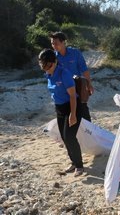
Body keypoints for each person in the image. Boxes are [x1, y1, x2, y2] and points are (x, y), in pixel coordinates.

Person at [38, 49, 84, 177]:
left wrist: (73, 114)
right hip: (60, 109)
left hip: (71, 107)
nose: (47, 68)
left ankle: (79, 166)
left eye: (49, 65)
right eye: (44, 66)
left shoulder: (64, 73)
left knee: (70, 137)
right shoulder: (49, 75)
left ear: (55, 62)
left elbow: (73, 96)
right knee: (64, 138)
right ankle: (73, 162)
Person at [50, 32, 93, 122]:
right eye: (52, 44)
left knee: (84, 117)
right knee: (67, 117)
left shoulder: (75, 53)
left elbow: (84, 70)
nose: (54, 46)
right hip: (63, 91)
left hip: (77, 88)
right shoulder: (53, 58)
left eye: (56, 44)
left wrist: (89, 84)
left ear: (63, 42)